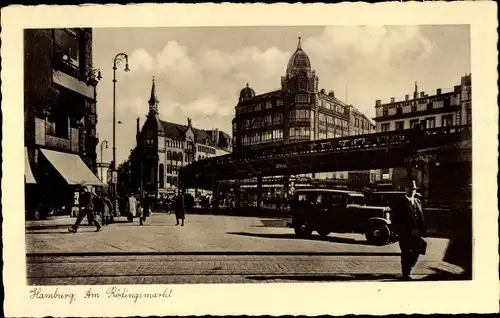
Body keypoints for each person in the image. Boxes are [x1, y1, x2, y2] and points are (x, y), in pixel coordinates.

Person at [391, 179, 427, 280]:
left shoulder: (417, 201)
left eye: (414, 189)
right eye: (410, 189)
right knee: (405, 253)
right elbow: (395, 218)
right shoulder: (400, 203)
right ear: (406, 189)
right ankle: (405, 273)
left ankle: (410, 265)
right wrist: (397, 231)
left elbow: (421, 217)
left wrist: (423, 230)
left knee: (417, 251)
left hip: (416, 233)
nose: (412, 191)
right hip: (405, 233)